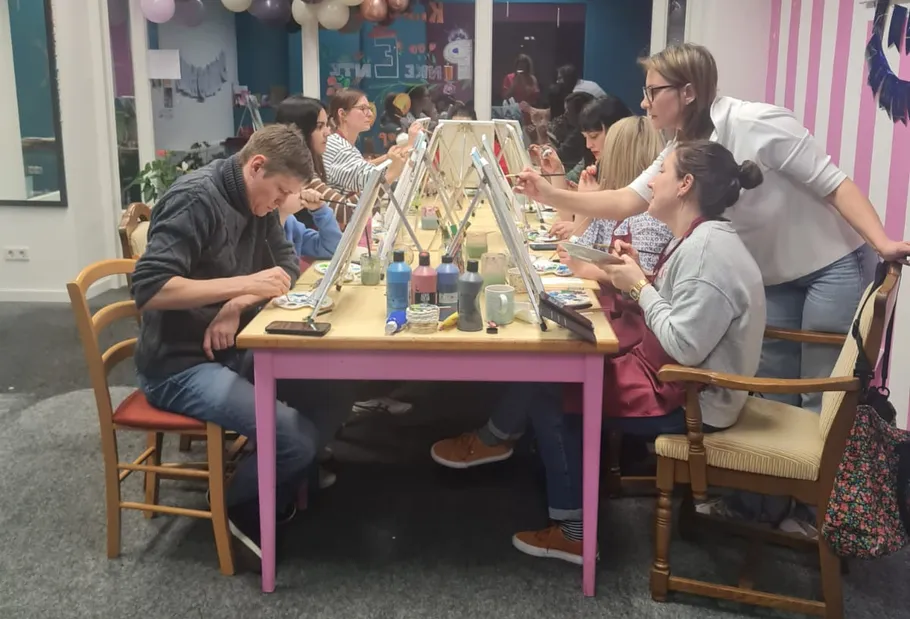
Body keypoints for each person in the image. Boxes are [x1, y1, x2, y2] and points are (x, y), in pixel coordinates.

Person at [515, 43, 909, 414]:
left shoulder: (756, 122)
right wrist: (548, 195)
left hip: (831, 264)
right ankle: (765, 486)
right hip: (774, 273)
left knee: (820, 395)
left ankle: (814, 485)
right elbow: (623, 199)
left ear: (687, 92)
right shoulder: (682, 149)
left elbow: (834, 184)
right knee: (776, 390)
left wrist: (883, 242)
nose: (643, 103)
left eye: (652, 92)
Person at [440, 141, 767, 563]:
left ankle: (573, 531)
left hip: (693, 396)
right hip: (674, 377)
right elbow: (684, 312)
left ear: (685, 185)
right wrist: (637, 273)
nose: (652, 181)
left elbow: (684, 345)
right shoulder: (701, 238)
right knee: (560, 373)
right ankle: (513, 453)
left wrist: (638, 285)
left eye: (662, 173)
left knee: (554, 392)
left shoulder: (707, 252)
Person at [131, 125, 352, 567]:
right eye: (280, 192)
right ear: (256, 166)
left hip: (234, 343)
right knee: (295, 437)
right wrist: (245, 283)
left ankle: (274, 480)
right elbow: (150, 287)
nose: (279, 204)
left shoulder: (259, 201)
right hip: (179, 365)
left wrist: (237, 301)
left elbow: (286, 266)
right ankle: (237, 506)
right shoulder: (195, 199)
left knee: (336, 393)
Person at [430, 116, 672, 470]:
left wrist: (581, 216)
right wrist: (581, 212)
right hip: (622, 316)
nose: (593, 150)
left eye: (600, 142)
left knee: (544, 358)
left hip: (631, 329)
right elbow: (580, 249)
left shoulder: (647, 216)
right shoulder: (619, 204)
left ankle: (497, 437)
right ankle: (503, 434)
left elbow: (596, 263)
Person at [324, 88, 420, 193]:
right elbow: (370, 185)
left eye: (369, 108)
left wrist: (388, 157)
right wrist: (409, 146)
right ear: (342, 114)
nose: (370, 114)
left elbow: (362, 166)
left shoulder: (340, 143)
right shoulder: (338, 148)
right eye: (362, 108)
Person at [274, 95, 337, 230]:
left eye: (326, 125)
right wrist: (389, 175)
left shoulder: (314, 160)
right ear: (300, 129)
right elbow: (344, 211)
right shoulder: (294, 169)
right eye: (320, 126)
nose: (328, 132)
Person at [277, 187, 342, 259]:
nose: (304, 192)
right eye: (298, 188)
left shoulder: (291, 224)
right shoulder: (263, 229)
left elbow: (332, 250)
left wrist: (320, 210)